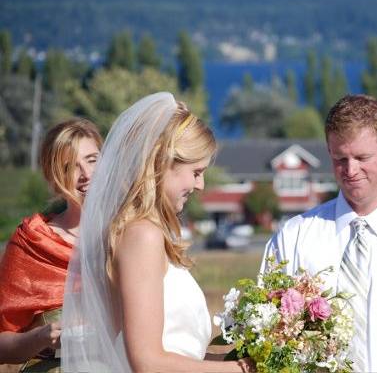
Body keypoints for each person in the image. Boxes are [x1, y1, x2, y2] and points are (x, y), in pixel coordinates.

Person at [61, 92, 251, 372]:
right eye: (196, 172)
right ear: (163, 165)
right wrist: (244, 371)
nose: (200, 185)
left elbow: (181, 356)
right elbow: (148, 362)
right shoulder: (141, 236)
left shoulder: (144, 232)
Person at [261, 94, 377, 373]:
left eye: (362, 157)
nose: (350, 170)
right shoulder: (294, 238)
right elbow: (266, 330)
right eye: (340, 158)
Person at [0, 118, 102, 369]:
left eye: (92, 160)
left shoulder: (135, 234)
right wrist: (39, 337)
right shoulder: (33, 243)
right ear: (54, 179)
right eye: (70, 168)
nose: (86, 175)